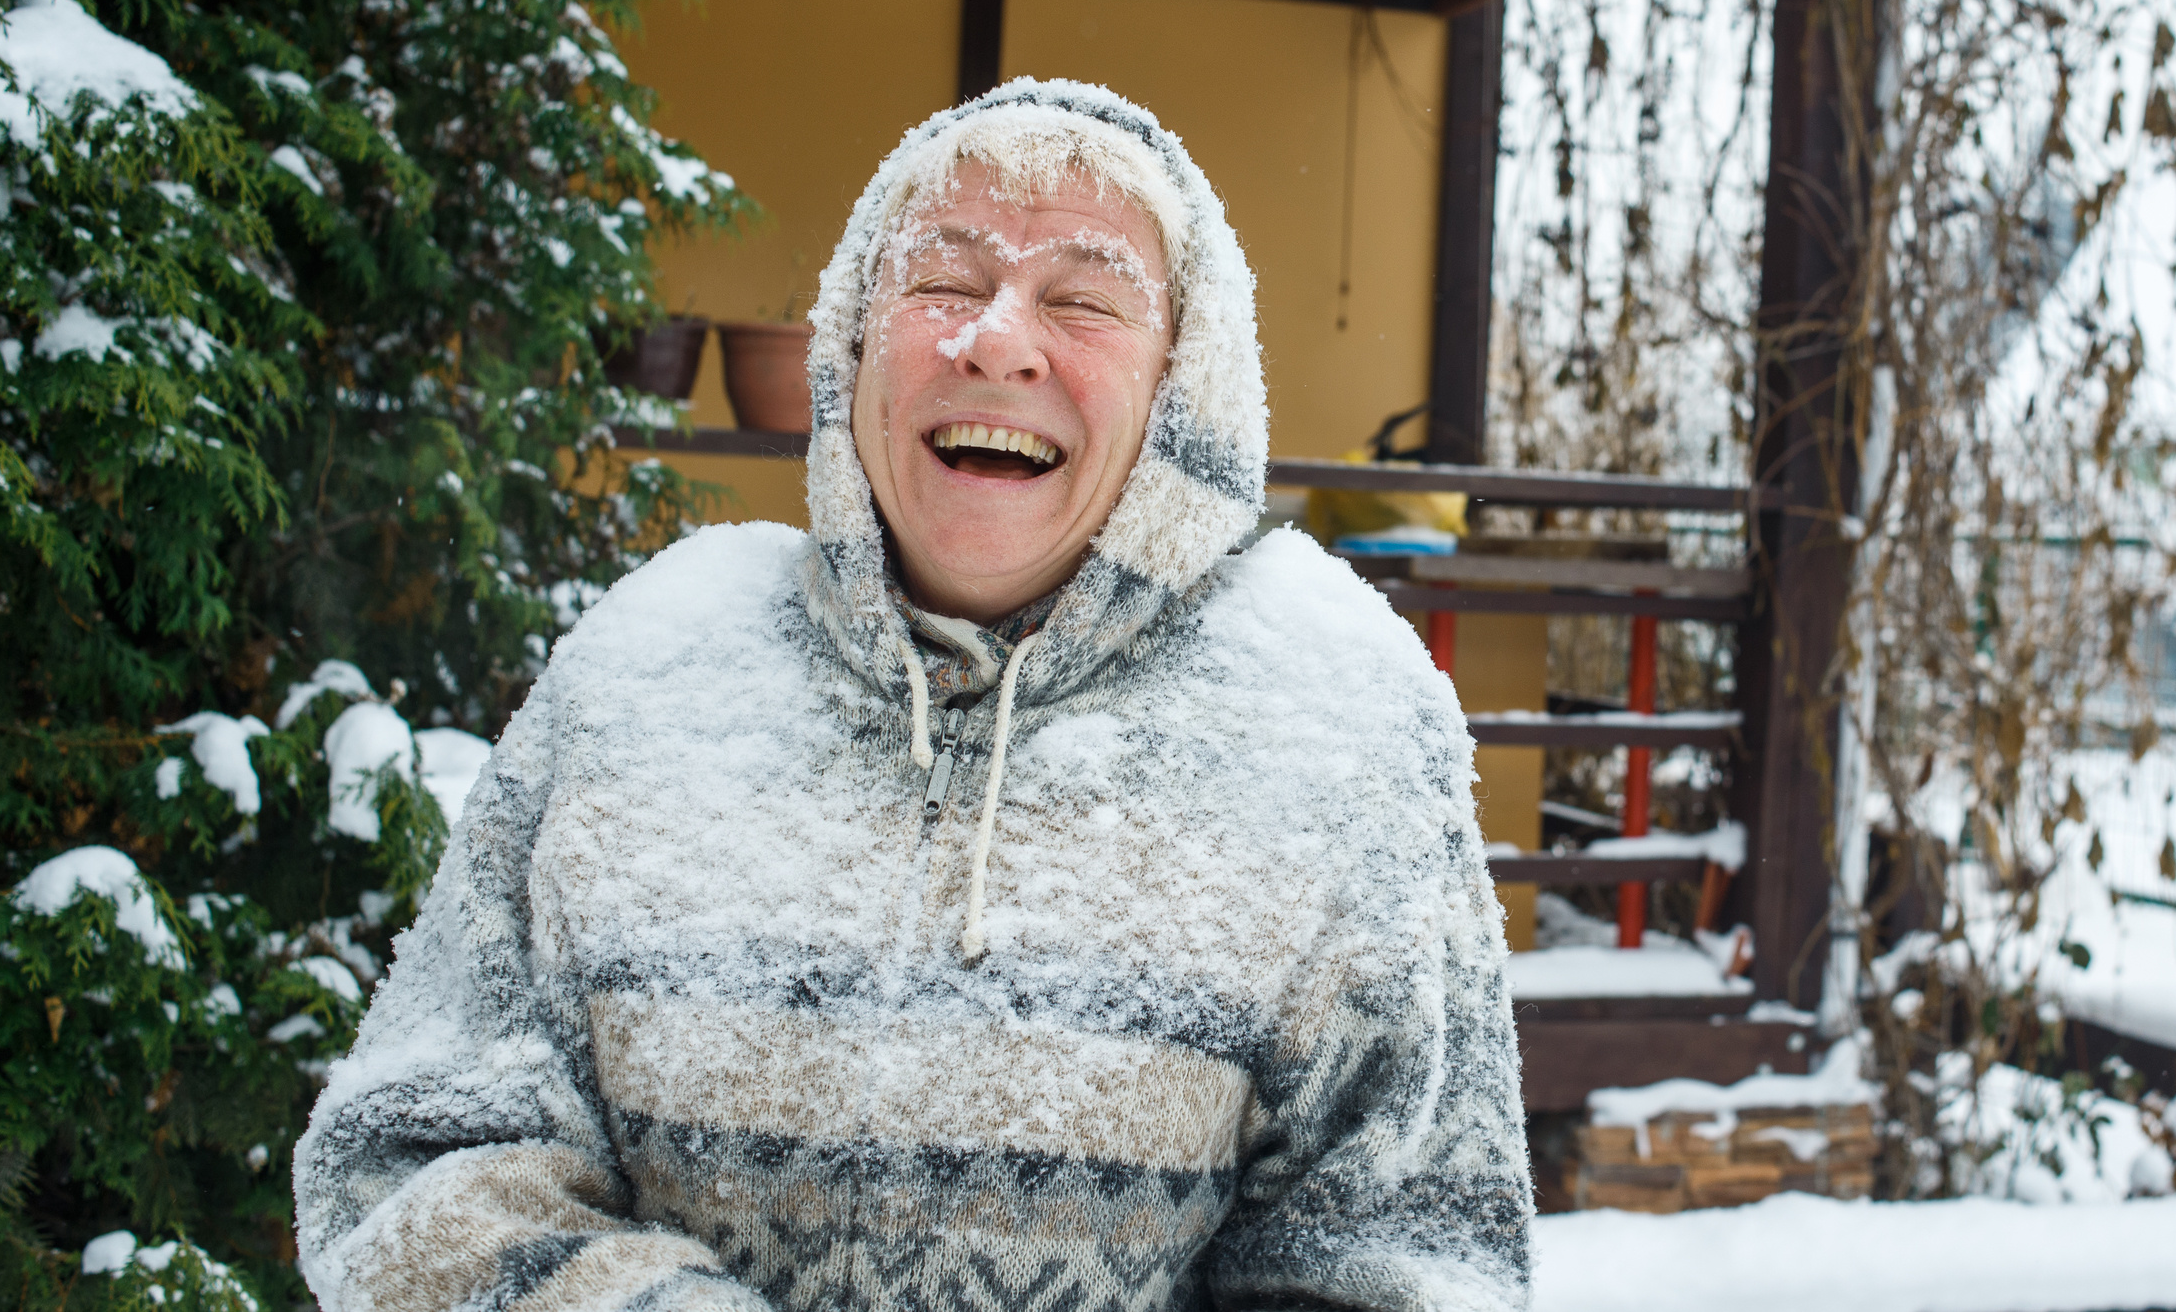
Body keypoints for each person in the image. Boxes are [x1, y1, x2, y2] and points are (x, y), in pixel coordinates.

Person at [293, 79, 1532, 1312]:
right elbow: (406, 1169)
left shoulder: (1336, 723)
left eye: (1085, 297)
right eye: (940, 281)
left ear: (1182, 384)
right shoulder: (641, 672)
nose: (993, 338)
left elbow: (1417, 1255)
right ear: (851, 341)